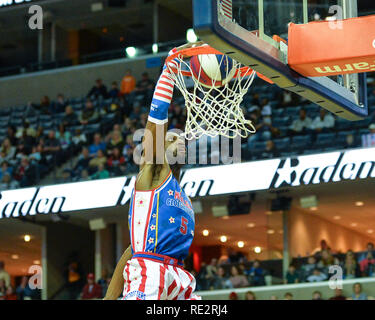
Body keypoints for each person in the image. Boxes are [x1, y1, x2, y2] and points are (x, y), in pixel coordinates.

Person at [105, 51, 200, 300]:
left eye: (179, 138)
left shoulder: (184, 197)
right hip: (151, 271)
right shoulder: (152, 175)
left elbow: (130, 251)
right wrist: (167, 75)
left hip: (179, 276)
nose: (176, 139)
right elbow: (155, 126)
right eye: (171, 137)